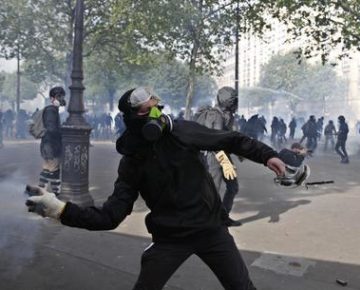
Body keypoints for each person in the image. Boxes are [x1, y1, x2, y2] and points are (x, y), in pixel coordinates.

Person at [26, 86, 286, 290]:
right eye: (146, 111)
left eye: (157, 108)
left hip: (212, 231)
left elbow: (232, 139)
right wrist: (60, 210)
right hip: (170, 239)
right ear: (132, 119)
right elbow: (109, 216)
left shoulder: (182, 131)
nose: (156, 115)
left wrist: (268, 156)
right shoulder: (132, 161)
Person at [194, 87, 242, 227]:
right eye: (233, 100)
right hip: (216, 156)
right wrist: (226, 161)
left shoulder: (226, 115)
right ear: (227, 101)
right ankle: (207, 222)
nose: (236, 104)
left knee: (233, 187)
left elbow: (228, 137)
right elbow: (216, 141)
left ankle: (222, 216)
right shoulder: (216, 115)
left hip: (222, 155)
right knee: (213, 191)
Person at [38, 86, 66, 195]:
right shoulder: (51, 110)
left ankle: (40, 192)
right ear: (52, 98)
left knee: (47, 169)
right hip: (51, 145)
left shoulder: (53, 110)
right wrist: (62, 131)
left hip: (47, 145)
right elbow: (51, 129)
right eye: (59, 96)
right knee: (54, 170)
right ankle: (56, 194)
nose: (61, 99)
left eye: (61, 96)